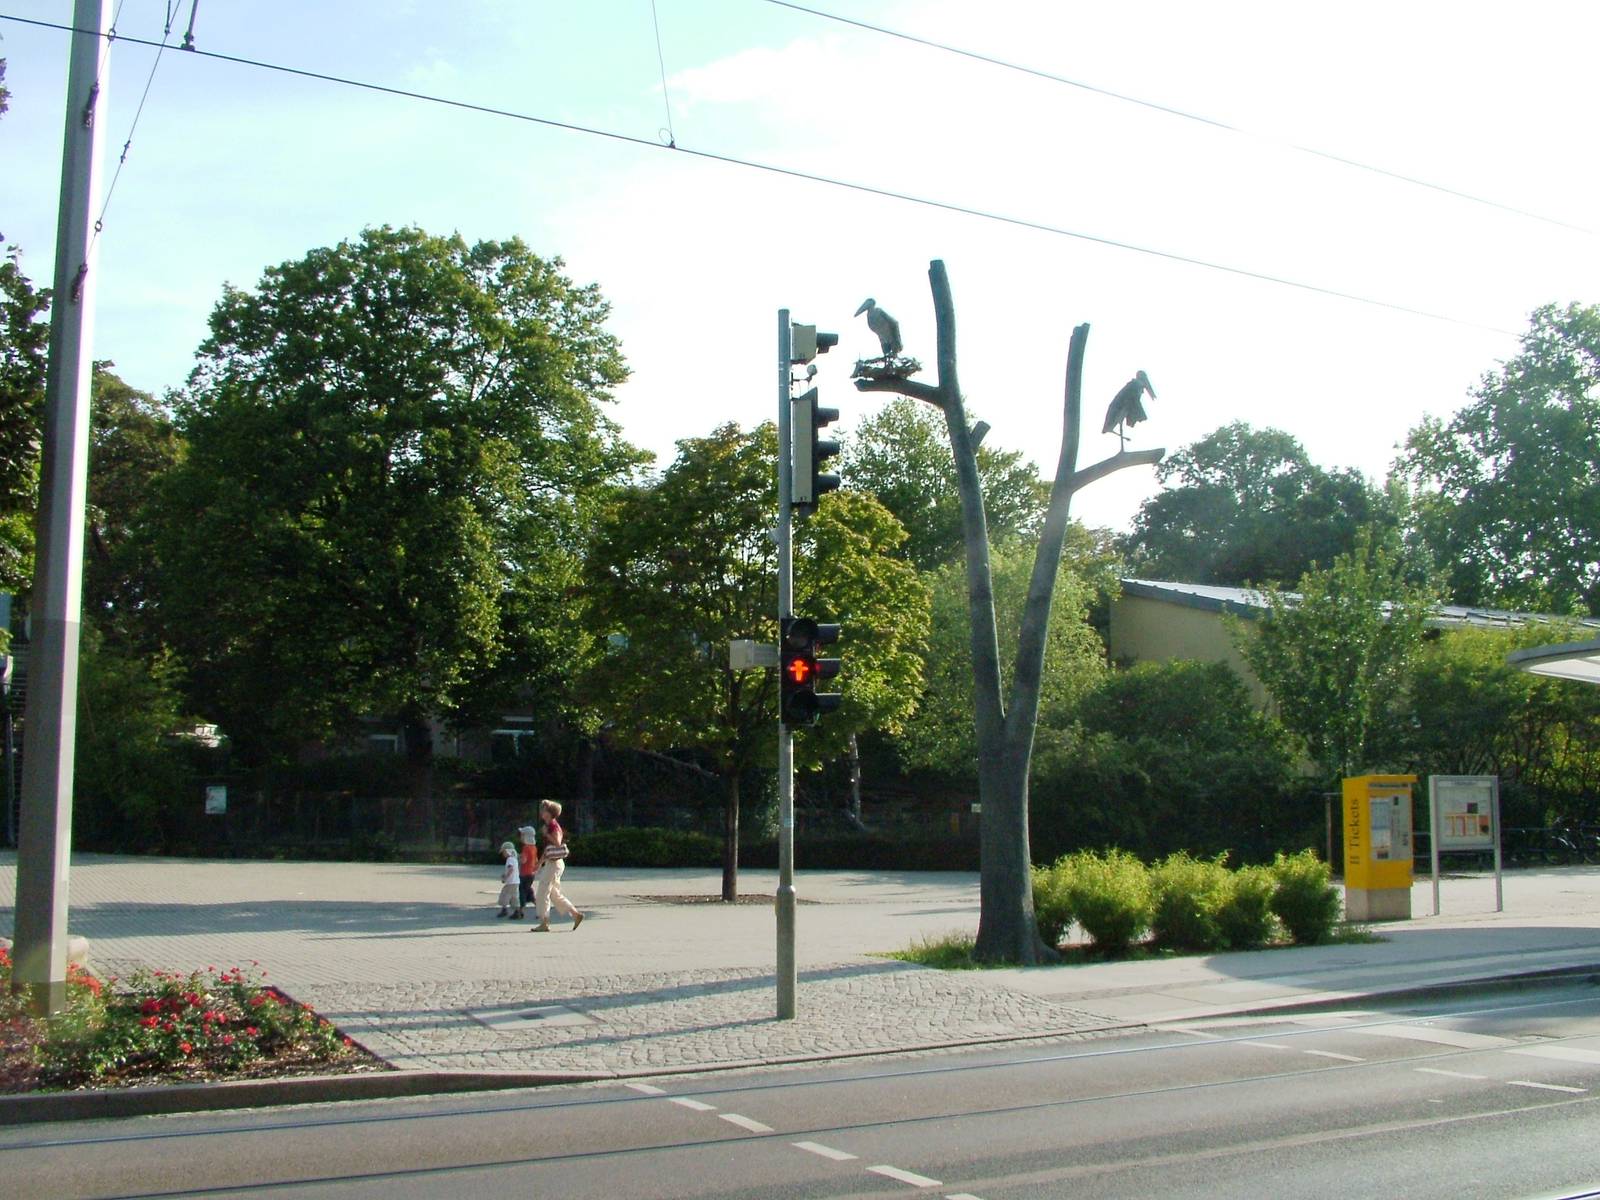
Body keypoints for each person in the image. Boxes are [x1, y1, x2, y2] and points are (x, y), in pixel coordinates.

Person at [531, 800, 583, 932]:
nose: (541, 811)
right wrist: (540, 863)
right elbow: (548, 849)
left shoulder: (552, 826)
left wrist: (546, 833)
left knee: (543, 892)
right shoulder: (550, 825)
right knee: (554, 894)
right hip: (553, 863)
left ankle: (544, 922)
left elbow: (557, 843)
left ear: (549, 813)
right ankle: (575, 914)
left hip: (554, 864)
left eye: (544, 809)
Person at [515, 825, 539, 920]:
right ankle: (539, 908)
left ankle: (521, 911)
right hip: (531, 873)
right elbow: (535, 860)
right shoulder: (534, 847)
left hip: (524, 873)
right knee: (528, 891)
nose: (520, 837)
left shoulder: (526, 847)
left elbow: (523, 860)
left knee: (522, 891)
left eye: (522, 835)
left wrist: (517, 857)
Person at [495, 841, 520, 918]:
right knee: (514, 897)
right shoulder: (514, 859)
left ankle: (504, 910)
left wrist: (505, 877)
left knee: (504, 895)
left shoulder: (509, 859)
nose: (503, 854)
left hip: (510, 882)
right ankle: (517, 911)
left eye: (503, 852)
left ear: (507, 851)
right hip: (515, 882)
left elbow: (511, 869)